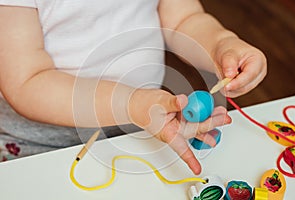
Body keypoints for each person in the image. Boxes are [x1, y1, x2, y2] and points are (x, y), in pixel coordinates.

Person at [0, 0, 266, 174]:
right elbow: (27, 81)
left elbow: (183, 19)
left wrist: (222, 44)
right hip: (40, 145)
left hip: (141, 124)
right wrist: (131, 104)